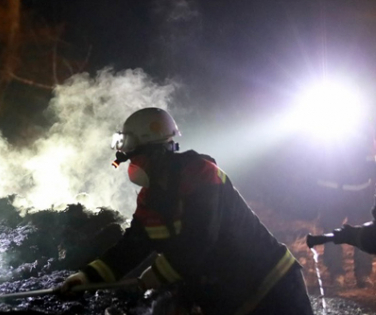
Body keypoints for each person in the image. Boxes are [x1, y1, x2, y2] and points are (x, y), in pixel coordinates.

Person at [60, 108, 313, 315]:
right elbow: (132, 247)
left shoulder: (201, 174)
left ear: (154, 153)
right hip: (232, 296)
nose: (130, 164)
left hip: (273, 286)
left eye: (132, 157)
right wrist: (86, 277)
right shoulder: (150, 198)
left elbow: (200, 239)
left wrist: (155, 274)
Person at [307, 121, 375, 287]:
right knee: (332, 230)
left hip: (359, 191)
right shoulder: (326, 125)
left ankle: (363, 275)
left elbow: (372, 161)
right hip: (331, 190)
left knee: (363, 233)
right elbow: (315, 158)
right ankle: (336, 273)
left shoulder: (365, 128)